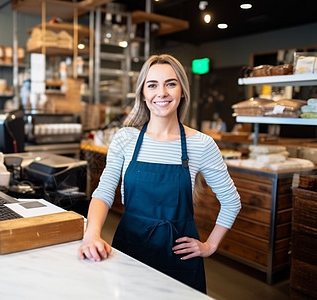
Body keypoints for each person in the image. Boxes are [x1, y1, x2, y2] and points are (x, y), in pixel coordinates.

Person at [77, 54, 241, 293]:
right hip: (129, 249)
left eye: (171, 84)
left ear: (182, 91)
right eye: (152, 85)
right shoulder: (125, 139)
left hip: (178, 258)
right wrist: (91, 235)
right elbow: (103, 192)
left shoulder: (201, 144)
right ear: (143, 93)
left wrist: (209, 246)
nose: (161, 92)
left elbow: (231, 201)